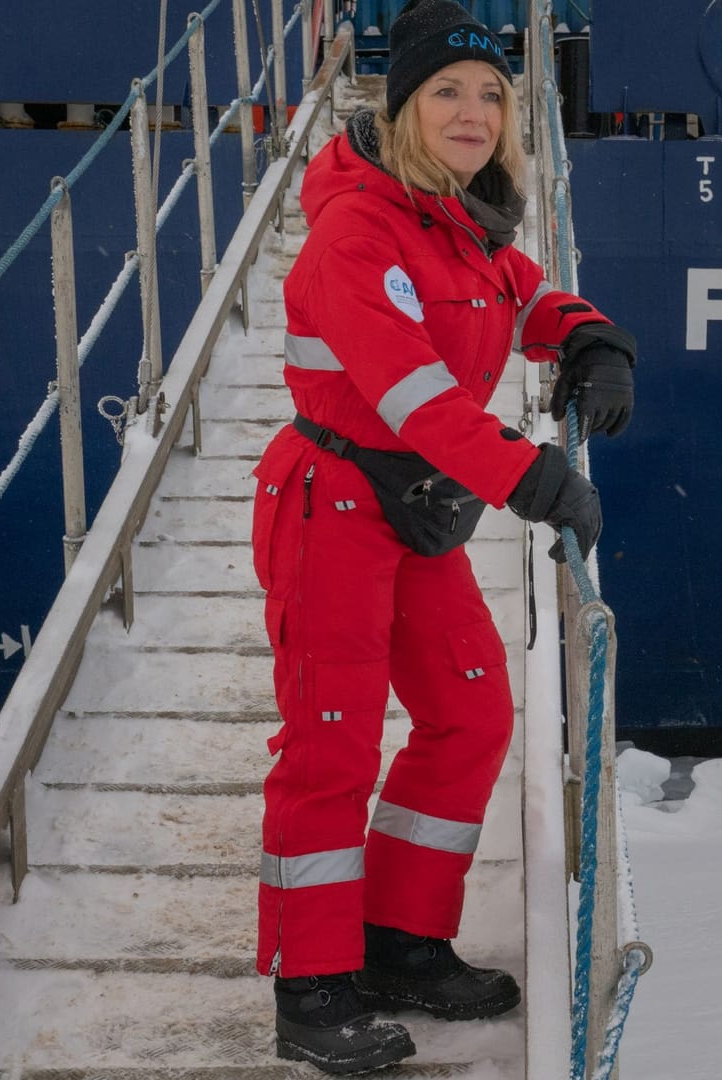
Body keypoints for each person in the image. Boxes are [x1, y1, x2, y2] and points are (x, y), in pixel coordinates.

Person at [248, 0, 637, 1071]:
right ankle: (312, 985)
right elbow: (417, 396)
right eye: (447, 92)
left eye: (492, 94)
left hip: (416, 506)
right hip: (335, 503)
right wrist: (533, 477)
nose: (473, 111)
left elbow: (521, 301)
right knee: (329, 743)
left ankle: (401, 940)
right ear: (403, 107)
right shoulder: (358, 229)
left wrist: (593, 336)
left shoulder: (462, 219)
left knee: (468, 712)